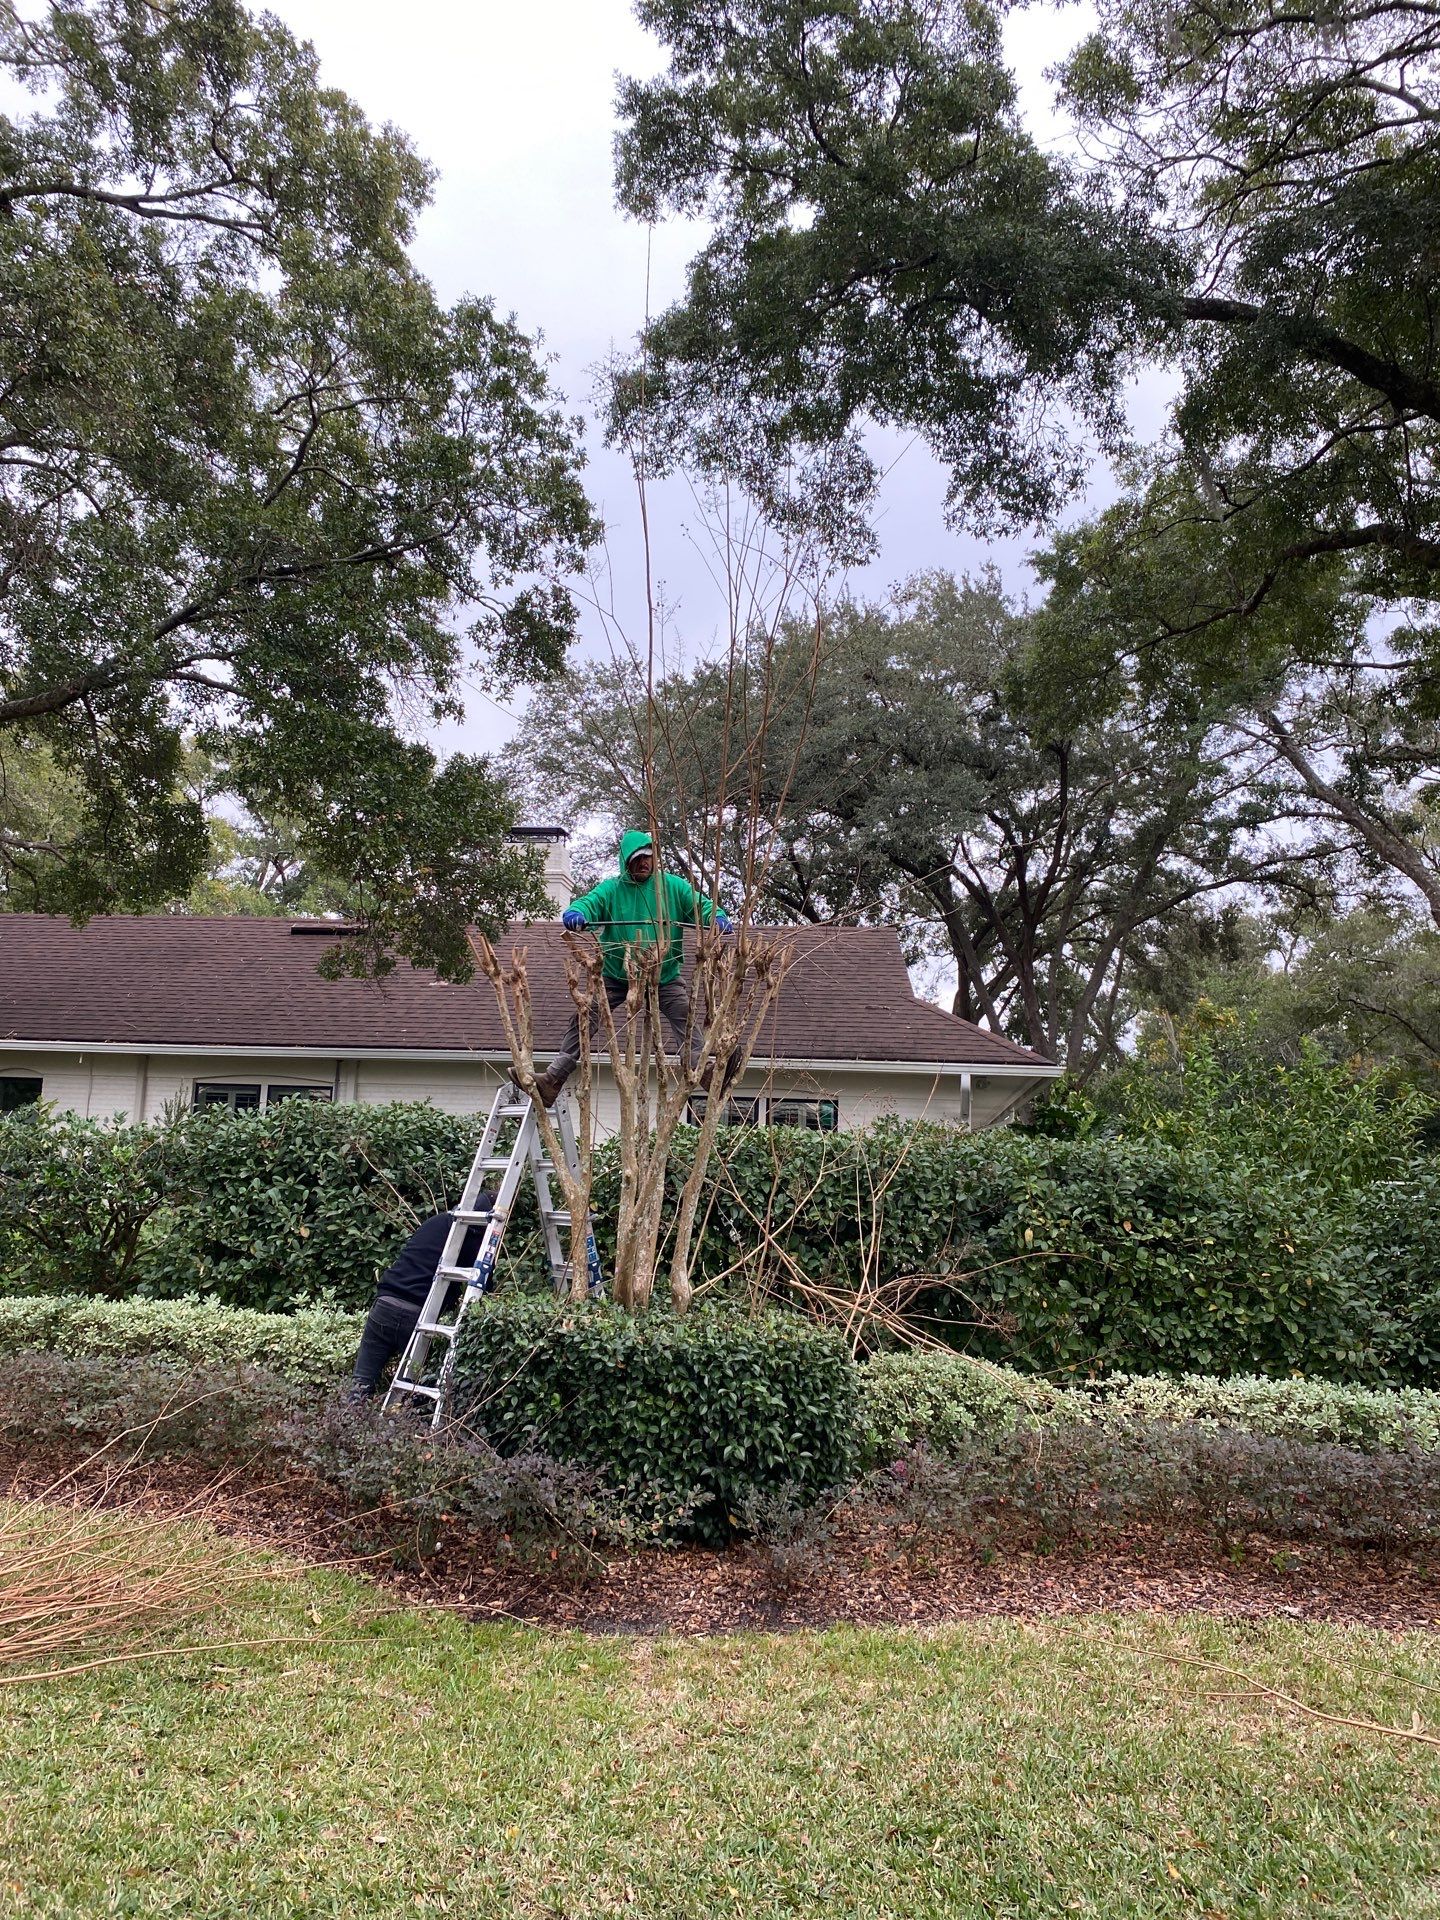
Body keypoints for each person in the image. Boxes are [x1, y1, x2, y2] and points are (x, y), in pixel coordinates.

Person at [524, 828, 732, 1107]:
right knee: (586, 1015)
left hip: (664, 976)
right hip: (617, 976)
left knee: (685, 1014)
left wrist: (717, 917)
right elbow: (589, 903)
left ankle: (703, 1073)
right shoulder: (612, 889)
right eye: (638, 858)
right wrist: (578, 914)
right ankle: (553, 1079)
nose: (645, 862)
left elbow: (702, 906)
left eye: (649, 857)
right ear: (626, 861)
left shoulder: (672, 886)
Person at [349, 1201, 493, 1399]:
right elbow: (483, 1285)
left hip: (385, 1305)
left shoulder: (435, 1221)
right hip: (418, 1316)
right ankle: (398, 1427)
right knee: (410, 1395)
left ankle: (347, 1423)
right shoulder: (475, 1240)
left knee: (361, 1384)